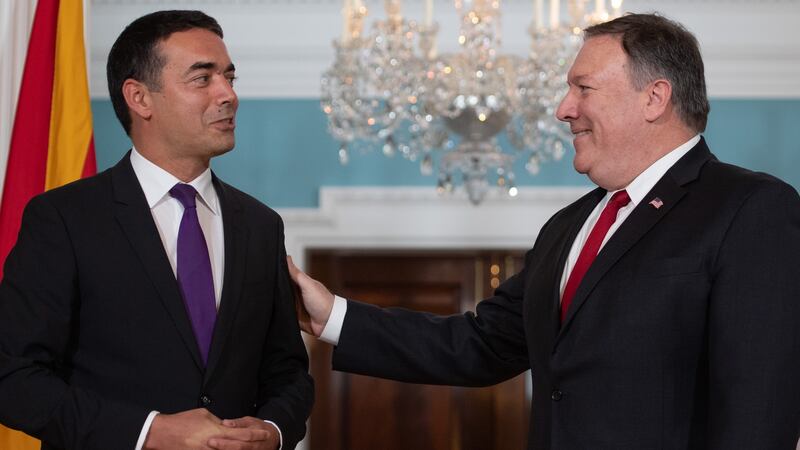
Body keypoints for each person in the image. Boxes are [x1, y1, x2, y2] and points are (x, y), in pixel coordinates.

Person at [289, 13, 800, 450]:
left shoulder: (751, 208)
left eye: (583, 87)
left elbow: (758, 408)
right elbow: (482, 344)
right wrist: (332, 315)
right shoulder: (569, 226)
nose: (563, 109)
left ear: (655, 98)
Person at [0, 10, 313, 450]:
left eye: (229, 76)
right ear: (140, 98)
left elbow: (288, 373)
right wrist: (148, 431)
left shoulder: (261, 225)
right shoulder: (63, 219)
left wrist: (275, 430)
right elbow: (14, 377)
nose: (228, 94)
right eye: (203, 79)